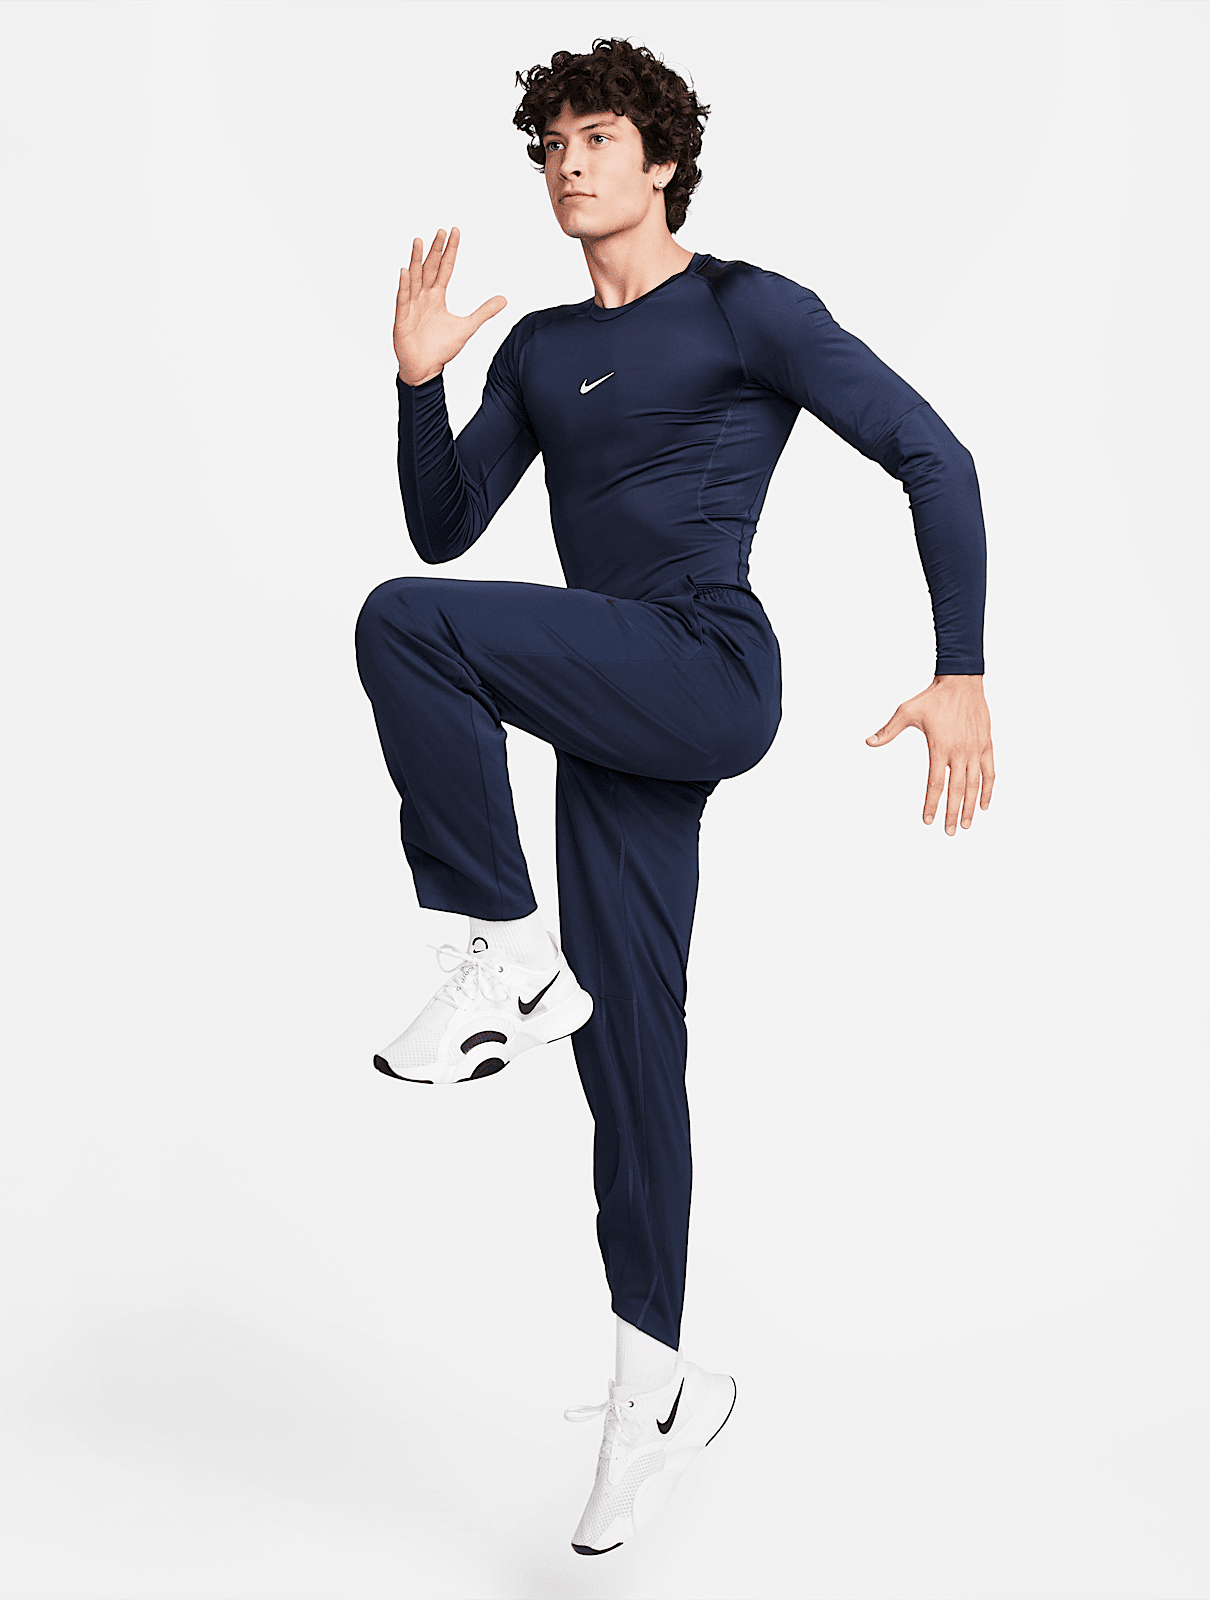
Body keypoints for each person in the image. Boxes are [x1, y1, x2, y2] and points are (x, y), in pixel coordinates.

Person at [355, 37, 994, 1557]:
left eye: (597, 136)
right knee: (630, 1040)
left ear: (660, 161)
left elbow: (935, 453)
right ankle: (658, 1385)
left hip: (705, 662)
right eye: (552, 144)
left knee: (398, 625)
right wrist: (419, 386)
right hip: (614, 707)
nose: (569, 162)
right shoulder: (536, 351)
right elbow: (447, 528)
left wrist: (960, 667)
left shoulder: (744, 308)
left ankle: (504, 951)